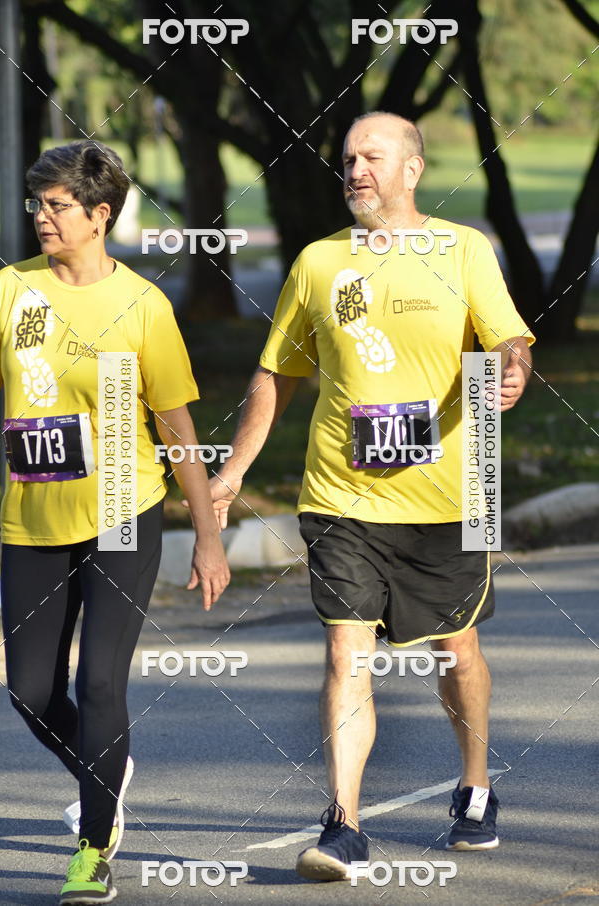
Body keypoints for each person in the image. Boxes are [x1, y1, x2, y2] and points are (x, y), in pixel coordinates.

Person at [209, 112, 534, 880]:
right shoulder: (319, 263)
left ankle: (477, 787)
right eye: (349, 158)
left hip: (448, 496)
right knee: (346, 650)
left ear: (413, 170)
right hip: (341, 495)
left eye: (372, 158)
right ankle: (344, 824)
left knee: (456, 651)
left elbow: (507, 338)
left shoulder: (462, 251)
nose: (355, 170)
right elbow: (277, 375)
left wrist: (513, 364)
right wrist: (232, 472)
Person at [0, 140, 230, 904]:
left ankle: (94, 847)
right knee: (31, 691)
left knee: (100, 682)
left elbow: (177, 427)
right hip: (31, 515)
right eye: (37, 203)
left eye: (57, 205)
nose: (41, 217)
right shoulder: (11, 290)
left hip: (123, 511)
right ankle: (108, 767)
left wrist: (206, 535)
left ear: (100, 215)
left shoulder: (141, 305)